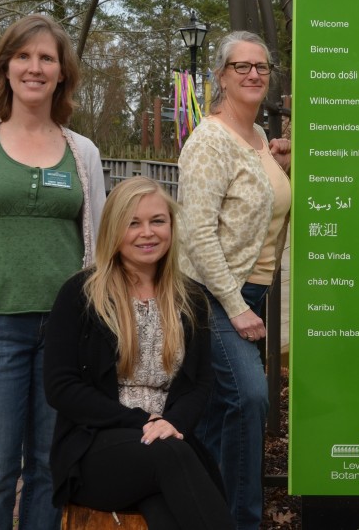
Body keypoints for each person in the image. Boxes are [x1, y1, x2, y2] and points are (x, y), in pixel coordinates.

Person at [0, 13, 105, 529]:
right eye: (24, 56)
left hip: (66, 337)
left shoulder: (84, 152)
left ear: (62, 73)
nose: (35, 67)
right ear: (5, 67)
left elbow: (99, 249)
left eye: (46, 58)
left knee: (52, 469)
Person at [44, 177, 232, 528]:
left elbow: (201, 383)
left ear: (172, 227)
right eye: (133, 223)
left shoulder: (190, 299)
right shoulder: (81, 294)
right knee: (170, 457)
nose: (147, 232)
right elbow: (60, 387)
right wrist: (143, 422)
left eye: (157, 221)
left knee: (168, 507)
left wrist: (172, 423)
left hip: (167, 443)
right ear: (115, 230)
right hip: (96, 448)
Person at [177, 30, 291, 529]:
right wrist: (235, 304)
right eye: (241, 67)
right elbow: (197, 233)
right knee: (249, 397)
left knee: (213, 413)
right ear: (221, 76)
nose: (252, 75)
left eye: (260, 67)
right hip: (210, 294)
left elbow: (262, 200)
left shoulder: (259, 138)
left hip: (249, 290)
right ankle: (241, 522)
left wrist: (281, 163)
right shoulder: (210, 140)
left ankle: (199, 512)